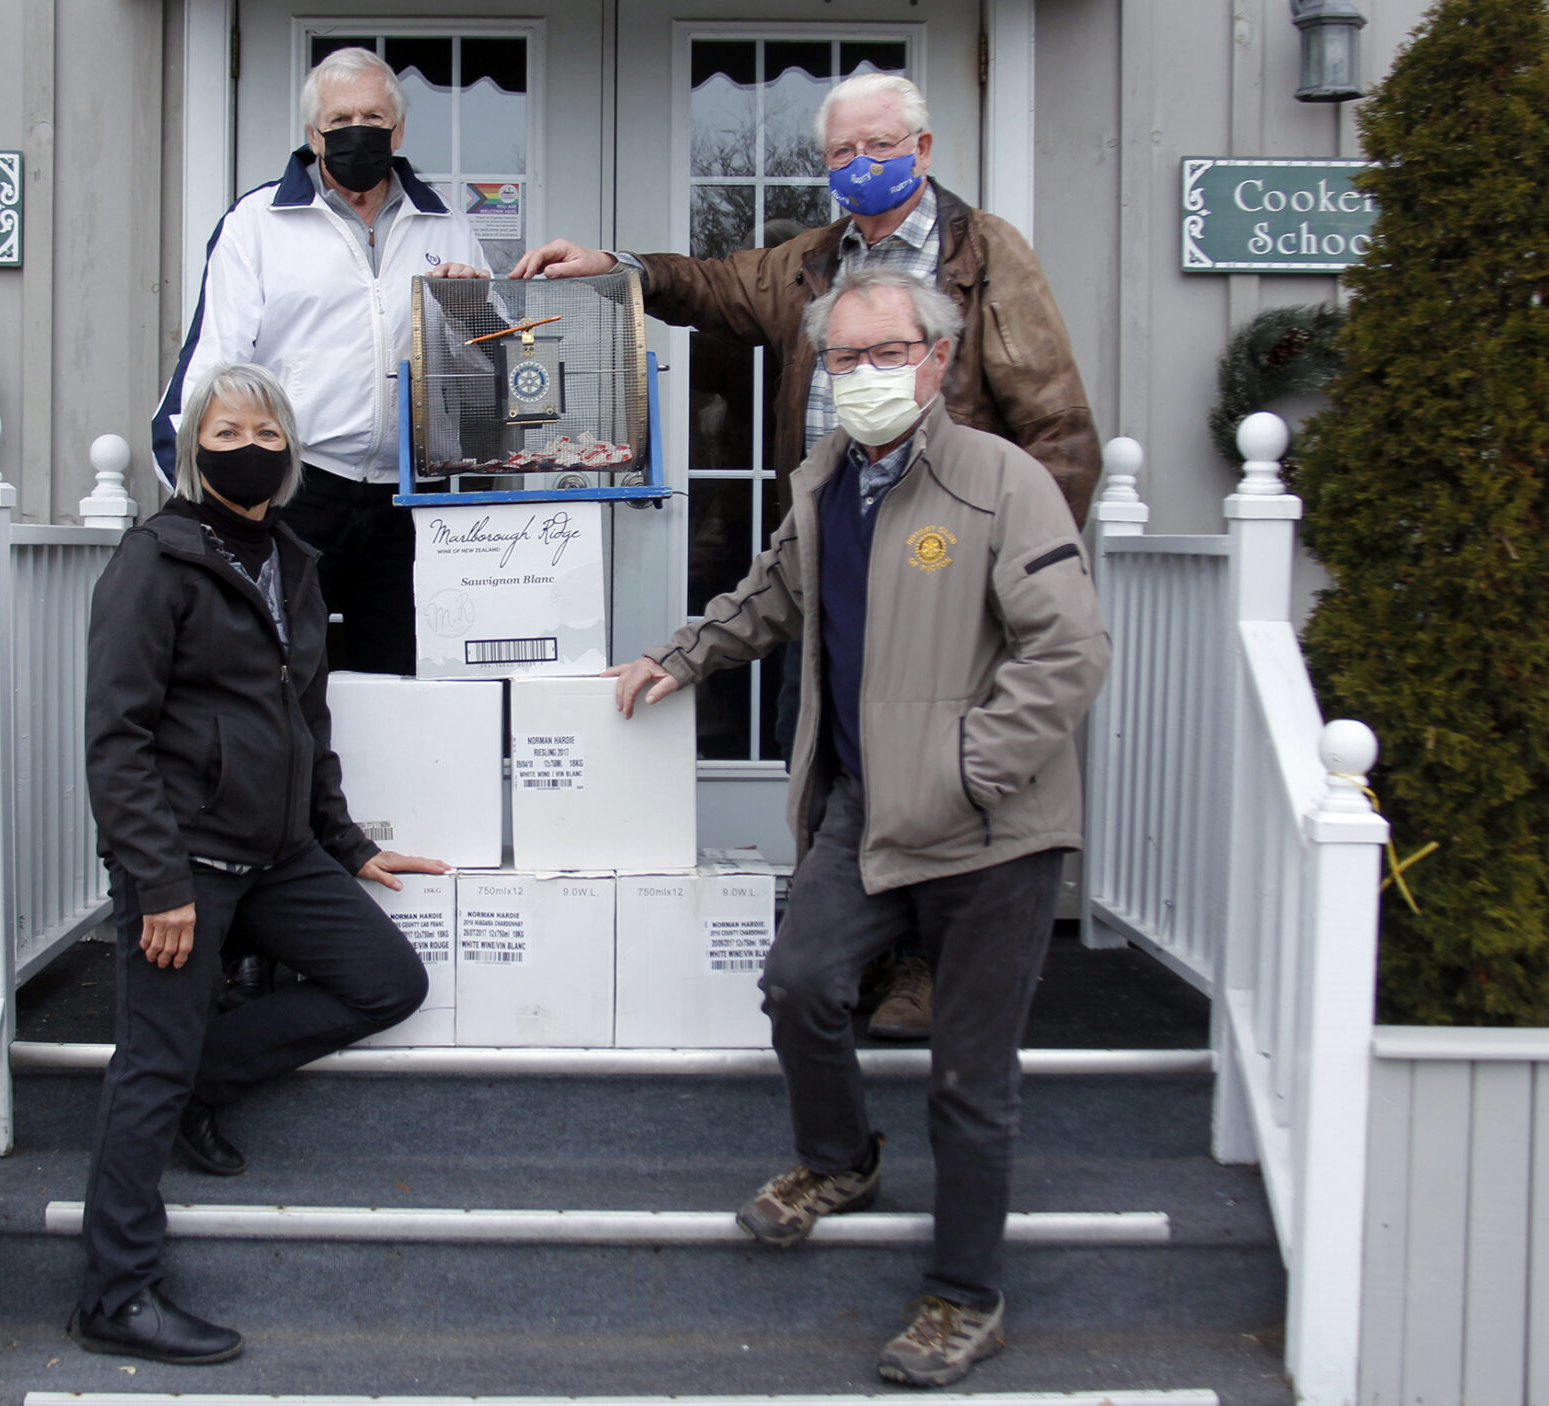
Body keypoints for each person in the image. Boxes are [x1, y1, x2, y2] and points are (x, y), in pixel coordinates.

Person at [602, 269, 1110, 1388]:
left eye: (888, 354)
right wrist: (675, 657)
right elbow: (775, 594)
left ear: (937, 359)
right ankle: (840, 1158)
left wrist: (972, 770)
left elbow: (1067, 650)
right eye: (844, 358)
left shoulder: (1001, 482)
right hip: (864, 810)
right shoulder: (828, 476)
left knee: (968, 1077)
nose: (865, 376)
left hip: (992, 833)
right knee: (799, 983)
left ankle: (963, 1295)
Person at [514, 72, 1104, 1035]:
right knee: (832, 756)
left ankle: (921, 966)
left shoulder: (986, 254)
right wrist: (615, 267)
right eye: (840, 153)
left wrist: (1016, 573)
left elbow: (1060, 433)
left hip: (945, 561)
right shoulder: (812, 262)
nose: (860, 166)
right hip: (838, 552)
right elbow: (711, 283)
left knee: (930, 771)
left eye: (878, 146)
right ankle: (852, 952)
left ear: (921, 147)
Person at [79, 362, 450, 1364]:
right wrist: (155, 881)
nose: (249, 443)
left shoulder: (291, 559)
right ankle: (115, 1291)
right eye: (228, 427)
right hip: (183, 860)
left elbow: (305, 720)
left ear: (290, 452)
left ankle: (208, 1068)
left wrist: (344, 841)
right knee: (147, 1060)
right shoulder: (153, 562)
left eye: (266, 429)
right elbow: (115, 736)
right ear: (195, 446)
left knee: (385, 979)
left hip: (280, 852)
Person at [153, 47, 489, 676]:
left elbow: (481, 384)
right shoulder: (256, 224)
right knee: (281, 670)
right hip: (299, 486)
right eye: (339, 120)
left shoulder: (448, 227)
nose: (356, 131)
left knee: (404, 675)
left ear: (399, 129)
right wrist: (199, 495)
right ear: (313, 134)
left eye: (372, 116)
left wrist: (472, 314)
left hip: (411, 497)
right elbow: (212, 366)